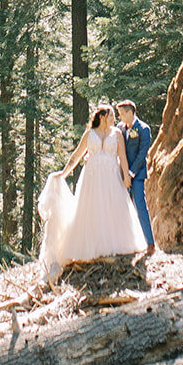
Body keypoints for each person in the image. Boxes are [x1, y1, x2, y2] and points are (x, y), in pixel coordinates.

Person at [38, 102, 145, 271]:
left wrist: (126, 176)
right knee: (92, 209)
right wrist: (63, 174)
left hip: (111, 177)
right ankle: (92, 246)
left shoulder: (117, 134)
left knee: (114, 208)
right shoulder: (89, 134)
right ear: (102, 117)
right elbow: (77, 155)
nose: (114, 118)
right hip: (92, 178)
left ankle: (113, 244)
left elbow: (122, 156)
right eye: (111, 115)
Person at [117, 100, 155, 256]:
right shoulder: (119, 128)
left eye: (121, 113)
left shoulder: (144, 129)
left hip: (137, 174)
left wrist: (131, 173)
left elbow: (142, 153)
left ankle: (150, 243)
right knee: (121, 207)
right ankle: (124, 243)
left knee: (140, 206)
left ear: (129, 113)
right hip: (121, 174)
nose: (119, 117)